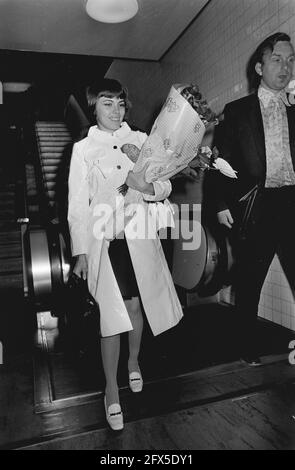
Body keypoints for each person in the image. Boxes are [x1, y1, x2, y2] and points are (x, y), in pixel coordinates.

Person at [67, 78, 183, 430]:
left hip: (141, 237)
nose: (116, 110)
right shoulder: (83, 149)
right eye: (107, 103)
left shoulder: (142, 140)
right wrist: (80, 253)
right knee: (111, 316)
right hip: (106, 240)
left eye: (120, 103)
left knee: (135, 307)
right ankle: (110, 391)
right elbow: (77, 206)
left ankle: (133, 362)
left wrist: (147, 186)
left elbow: (167, 184)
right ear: (93, 107)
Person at [212, 32, 295, 366]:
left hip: (293, 201)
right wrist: (219, 204)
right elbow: (221, 160)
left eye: (291, 60)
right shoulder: (237, 110)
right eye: (277, 59)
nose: (285, 67)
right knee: (249, 281)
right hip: (256, 204)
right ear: (260, 66)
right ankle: (246, 348)